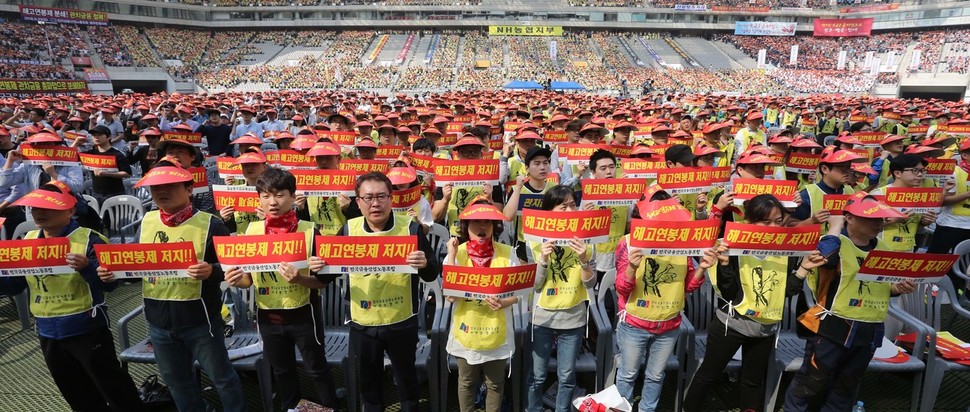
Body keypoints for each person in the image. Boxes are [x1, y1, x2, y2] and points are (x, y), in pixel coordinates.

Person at [96, 158, 245, 412]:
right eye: (156, 188)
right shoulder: (147, 221)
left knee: (224, 379)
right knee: (178, 383)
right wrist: (114, 273)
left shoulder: (212, 223)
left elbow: (234, 268)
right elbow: (136, 264)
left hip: (201, 322)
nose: (162, 192)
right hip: (158, 323)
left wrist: (212, 271)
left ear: (189, 189)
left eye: (170, 186)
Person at [0, 185, 142, 411]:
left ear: (70, 211)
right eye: (36, 207)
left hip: (86, 327)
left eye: (48, 207)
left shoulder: (90, 239)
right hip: (47, 329)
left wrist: (87, 267)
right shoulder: (27, 240)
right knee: (74, 391)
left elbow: (111, 285)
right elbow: (16, 285)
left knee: (114, 388)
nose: (40, 212)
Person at [684, 194, 827, 412]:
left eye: (778, 221)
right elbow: (729, 291)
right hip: (731, 325)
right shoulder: (732, 245)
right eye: (766, 221)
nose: (773, 227)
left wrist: (804, 268)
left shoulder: (786, 249)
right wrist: (723, 265)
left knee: (753, 381)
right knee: (709, 374)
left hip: (765, 328)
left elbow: (786, 291)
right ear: (751, 222)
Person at [313, 172, 438, 412]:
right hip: (363, 323)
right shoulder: (349, 230)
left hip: (401, 320)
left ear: (391, 199)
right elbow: (327, 276)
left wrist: (425, 263)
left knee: (406, 380)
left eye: (381, 196)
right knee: (369, 385)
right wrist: (318, 267)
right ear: (357, 202)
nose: (375, 203)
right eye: (368, 197)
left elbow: (431, 273)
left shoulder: (410, 229)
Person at [784, 195, 916, 411]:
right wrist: (835, 226)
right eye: (871, 219)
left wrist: (897, 288)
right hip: (833, 327)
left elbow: (884, 286)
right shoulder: (833, 242)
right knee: (811, 382)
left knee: (846, 386)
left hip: (870, 327)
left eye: (881, 219)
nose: (878, 224)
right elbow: (828, 258)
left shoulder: (883, 247)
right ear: (849, 218)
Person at [225, 167, 338, 412]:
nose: (273, 202)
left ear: (292, 195)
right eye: (265, 196)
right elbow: (248, 281)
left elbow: (322, 282)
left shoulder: (309, 231)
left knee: (317, 368)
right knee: (282, 371)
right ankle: (290, 407)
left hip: (304, 314)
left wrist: (300, 279)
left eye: (279, 194)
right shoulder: (252, 232)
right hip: (268, 316)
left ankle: (331, 406)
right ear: (258, 198)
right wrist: (236, 280)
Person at [613, 190, 717, 412]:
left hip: (669, 324)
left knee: (655, 375)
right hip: (634, 324)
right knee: (628, 374)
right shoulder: (628, 243)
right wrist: (632, 267)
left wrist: (703, 270)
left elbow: (688, 286)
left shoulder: (683, 243)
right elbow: (622, 288)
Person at [443, 200, 519, 412]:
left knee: (495, 383)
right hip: (466, 332)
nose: (482, 227)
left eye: (488, 222)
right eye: (475, 222)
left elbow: (518, 294)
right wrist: (451, 254)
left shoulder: (508, 252)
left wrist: (503, 302)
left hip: (497, 332)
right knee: (466, 382)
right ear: (466, 226)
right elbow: (450, 296)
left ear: (496, 226)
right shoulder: (457, 252)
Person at [526, 185, 596, 412]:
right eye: (562, 206)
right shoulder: (536, 241)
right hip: (543, 317)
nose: (569, 210)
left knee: (566, 376)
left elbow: (590, 283)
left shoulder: (586, 240)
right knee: (537, 375)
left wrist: (583, 259)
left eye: (573, 205)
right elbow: (535, 284)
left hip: (573, 317)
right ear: (549, 211)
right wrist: (543, 260)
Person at [869, 154, 937, 252]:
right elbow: (864, 226)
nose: (920, 175)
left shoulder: (921, 196)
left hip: (907, 249)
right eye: (915, 171)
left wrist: (924, 222)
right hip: (880, 250)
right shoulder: (879, 194)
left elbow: (915, 225)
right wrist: (895, 220)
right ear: (897, 173)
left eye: (922, 171)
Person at [928, 138, 970, 293]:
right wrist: (967, 194)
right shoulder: (953, 171)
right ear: (964, 155)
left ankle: (956, 291)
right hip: (950, 225)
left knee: (963, 264)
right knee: (937, 261)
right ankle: (928, 290)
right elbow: (943, 201)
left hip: (968, 227)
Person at [504, 146, 554, 261]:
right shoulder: (517, 189)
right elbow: (507, 217)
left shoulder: (554, 189)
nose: (542, 167)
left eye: (545, 163)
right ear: (527, 168)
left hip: (549, 244)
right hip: (524, 246)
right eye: (537, 164)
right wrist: (518, 188)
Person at [220, 148, 268, 234]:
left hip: (264, 243)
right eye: (245, 165)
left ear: (264, 167)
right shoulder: (234, 192)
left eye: (254, 164)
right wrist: (227, 219)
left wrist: (268, 218)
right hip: (242, 244)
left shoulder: (273, 192)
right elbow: (231, 230)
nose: (249, 168)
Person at [84, 125, 133, 206]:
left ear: (109, 137)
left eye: (99, 135)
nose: (96, 137)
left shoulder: (117, 154)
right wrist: (76, 142)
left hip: (115, 193)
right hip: (96, 193)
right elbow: (70, 157)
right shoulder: (91, 153)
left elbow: (127, 173)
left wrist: (106, 174)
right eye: (94, 135)